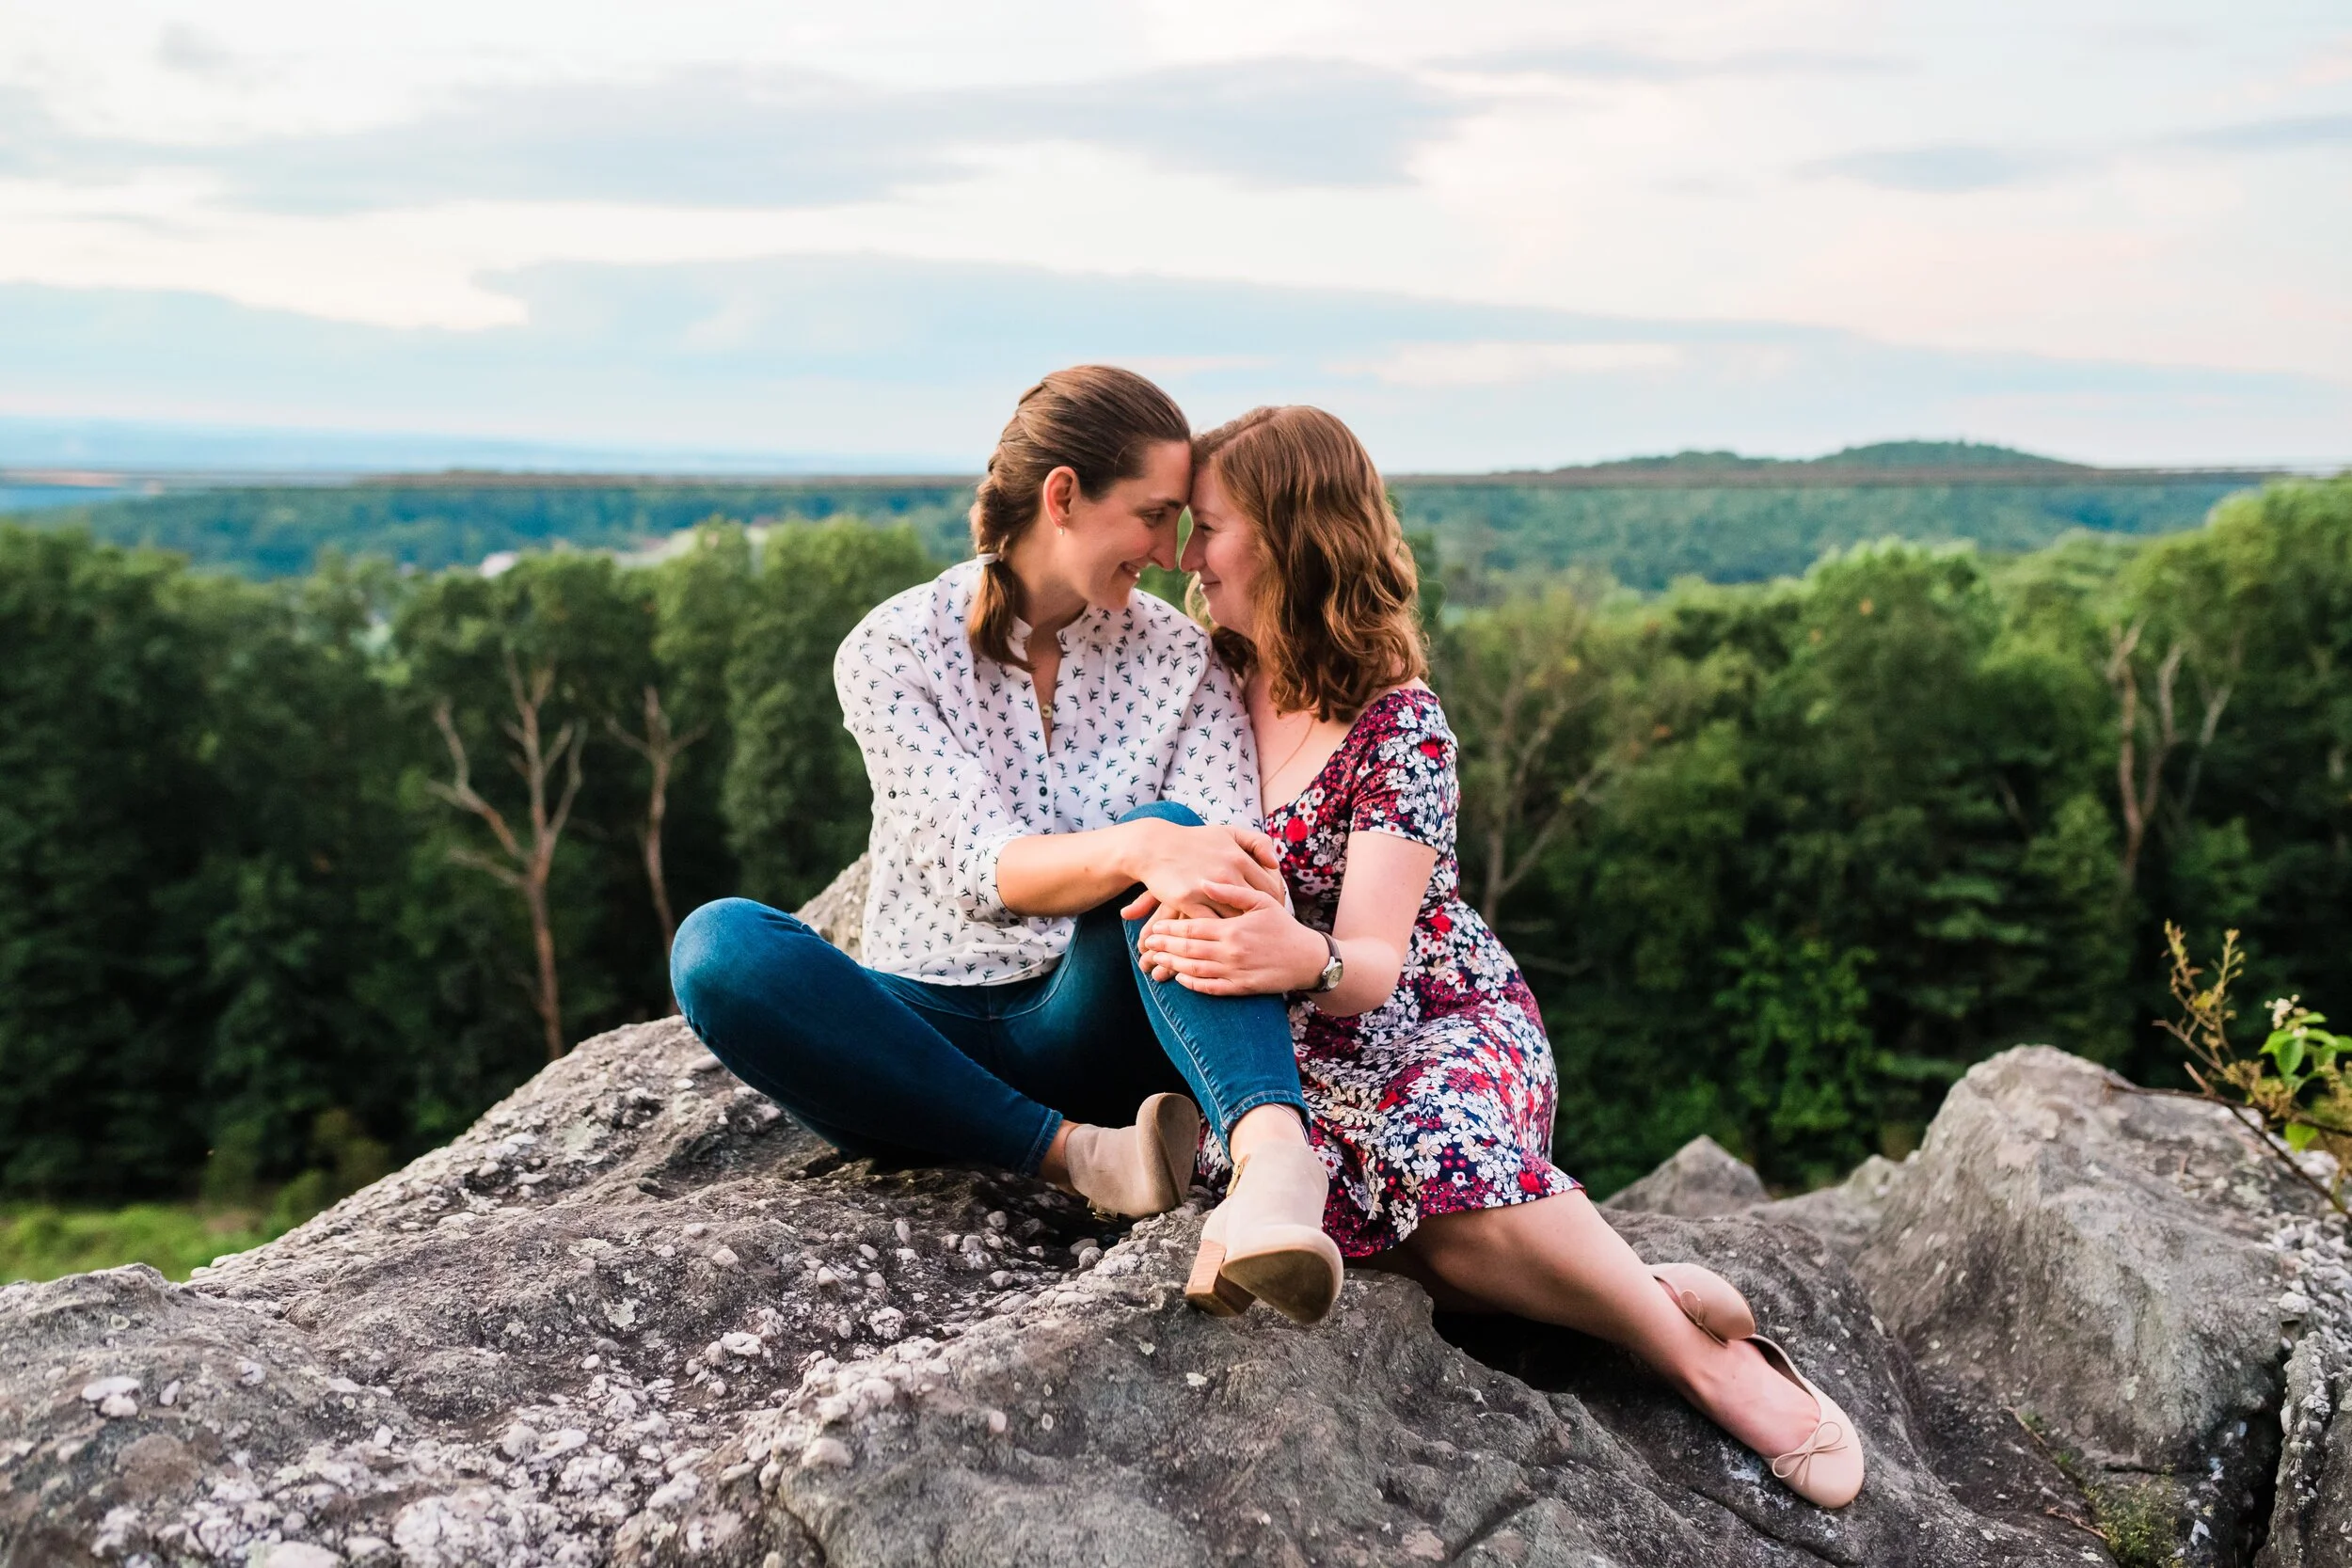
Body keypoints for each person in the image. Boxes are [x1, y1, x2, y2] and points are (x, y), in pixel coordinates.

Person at [1135, 404, 1866, 1510]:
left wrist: (1296, 950)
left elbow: (1376, 960)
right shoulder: (1201, 684)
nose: (1186, 557)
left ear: (1291, 533)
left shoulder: (1400, 725)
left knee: (1438, 1174)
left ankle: (1702, 1361)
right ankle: (1633, 1286)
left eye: (1212, 526)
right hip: (1293, 1055)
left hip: (1430, 1016)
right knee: (1376, 1231)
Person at [668, 366, 1343, 1324]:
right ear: (1062, 496)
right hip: (918, 1039)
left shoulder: (1177, 656)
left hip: (1097, 1023)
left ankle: (1275, 1164)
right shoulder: (895, 647)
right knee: (718, 947)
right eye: (1152, 516)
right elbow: (981, 869)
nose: (1170, 551)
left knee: (1192, 842)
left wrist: (1160, 849)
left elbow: (1227, 865)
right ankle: (1073, 1154)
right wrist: (1131, 846)